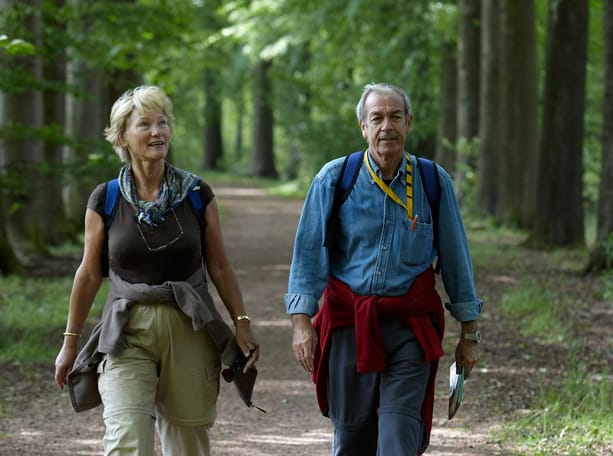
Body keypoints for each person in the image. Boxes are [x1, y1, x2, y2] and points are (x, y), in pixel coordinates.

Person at [53, 85, 259, 456]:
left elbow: (221, 266)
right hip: (126, 331)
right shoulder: (107, 198)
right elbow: (87, 273)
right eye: (144, 124)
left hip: (191, 326)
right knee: (127, 440)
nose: (156, 132)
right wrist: (70, 344)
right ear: (122, 137)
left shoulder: (197, 194)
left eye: (162, 123)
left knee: (188, 444)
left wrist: (240, 322)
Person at [286, 82, 483, 455]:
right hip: (349, 328)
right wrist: (301, 324)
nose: (386, 127)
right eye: (376, 118)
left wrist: (469, 333)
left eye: (395, 117)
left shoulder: (432, 182)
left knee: (397, 440)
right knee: (351, 442)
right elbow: (309, 254)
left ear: (409, 123)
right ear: (363, 127)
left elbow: (457, 261)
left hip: (410, 330)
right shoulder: (334, 179)